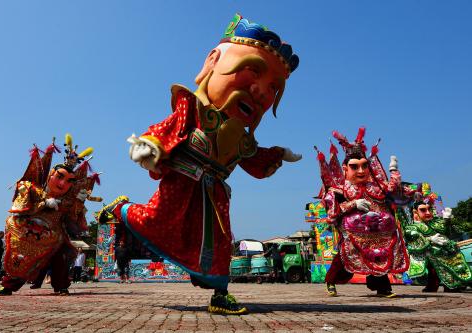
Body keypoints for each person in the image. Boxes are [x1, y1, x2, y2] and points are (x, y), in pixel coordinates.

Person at [98, 13, 301, 314]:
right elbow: (166, 129)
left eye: (273, 88)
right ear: (212, 62)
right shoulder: (191, 109)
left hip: (215, 197)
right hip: (180, 185)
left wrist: (277, 154)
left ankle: (219, 294)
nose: (260, 91)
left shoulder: (240, 139)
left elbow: (254, 160)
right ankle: (122, 209)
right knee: (155, 224)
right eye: (251, 71)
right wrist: (149, 146)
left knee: (220, 246)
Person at [0, 134, 100, 296]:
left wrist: (78, 204)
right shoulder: (32, 189)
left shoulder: (67, 201)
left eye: (69, 181)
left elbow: (73, 222)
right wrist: (44, 203)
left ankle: (61, 285)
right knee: (23, 260)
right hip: (28, 235)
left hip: (53, 238)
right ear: (51, 174)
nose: (63, 184)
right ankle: (8, 286)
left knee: (60, 259)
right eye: (60, 177)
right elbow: (19, 208)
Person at [315, 127, 412, 298]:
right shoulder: (340, 188)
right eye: (355, 167)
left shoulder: (376, 185)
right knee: (346, 256)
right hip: (354, 232)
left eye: (364, 166)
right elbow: (333, 211)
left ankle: (382, 288)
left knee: (380, 254)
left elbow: (395, 191)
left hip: (379, 230)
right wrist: (353, 204)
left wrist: (394, 171)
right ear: (345, 168)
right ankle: (331, 281)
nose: (361, 171)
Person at [403, 194, 472, 292]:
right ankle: (443, 285)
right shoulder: (413, 227)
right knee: (437, 266)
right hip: (431, 252)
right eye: (423, 210)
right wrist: (430, 239)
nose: (427, 212)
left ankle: (453, 284)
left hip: (448, 250)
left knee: (455, 264)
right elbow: (412, 236)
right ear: (415, 212)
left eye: (429, 209)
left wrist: (447, 220)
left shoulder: (435, 223)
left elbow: (446, 231)